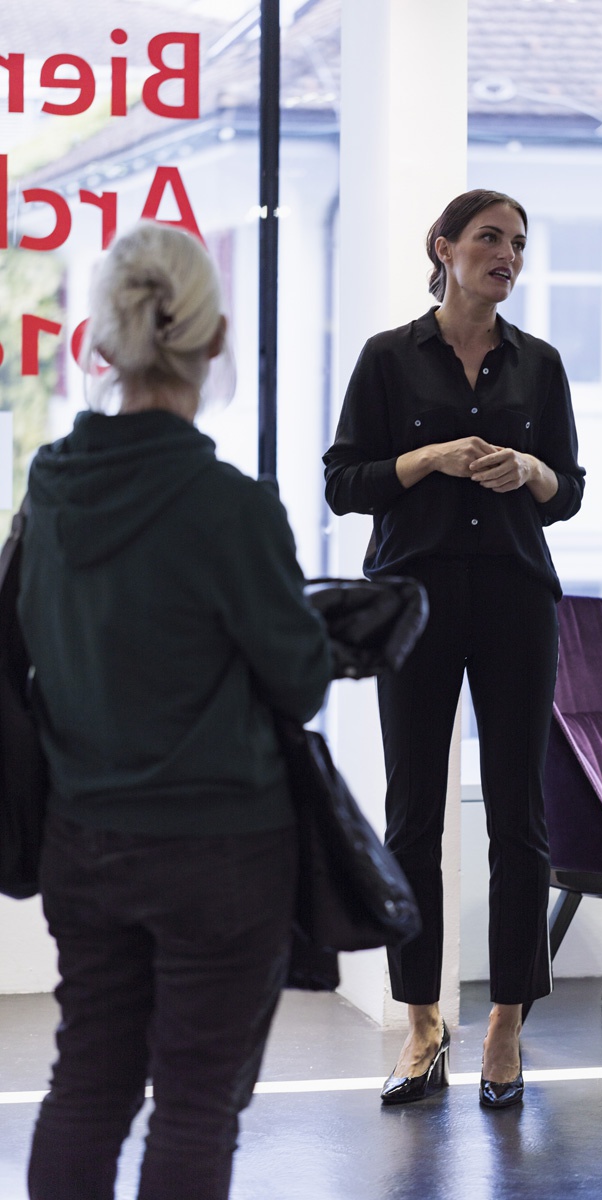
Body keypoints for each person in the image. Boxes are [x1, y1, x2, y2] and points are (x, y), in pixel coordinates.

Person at [18, 221, 331, 1199]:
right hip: (221, 848)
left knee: (86, 1086)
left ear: (102, 343)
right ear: (216, 335)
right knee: (195, 1104)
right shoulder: (229, 505)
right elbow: (300, 682)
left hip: (81, 839)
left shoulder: (47, 491)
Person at [323, 189, 585, 1109]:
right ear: (444, 248)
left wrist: (531, 469)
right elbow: (343, 482)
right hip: (415, 603)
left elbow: (568, 491)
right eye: (489, 238)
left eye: (518, 242)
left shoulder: (540, 364)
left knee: (519, 818)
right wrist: (430, 459)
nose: (507, 254)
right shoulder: (388, 358)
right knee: (410, 820)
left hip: (516, 600)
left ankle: (506, 1026)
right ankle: (422, 1023)